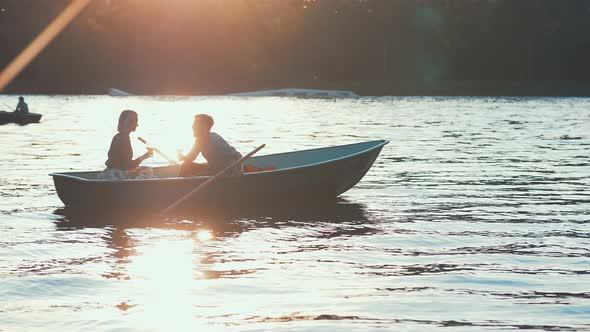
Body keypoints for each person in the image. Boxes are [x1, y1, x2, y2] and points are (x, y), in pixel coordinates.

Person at [178, 114, 242, 177]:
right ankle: (180, 182)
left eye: (195, 124)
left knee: (190, 171)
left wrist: (239, 172)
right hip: (214, 169)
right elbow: (191, 157)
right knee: (186, 165)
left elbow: (237, 156)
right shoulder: (200, 140)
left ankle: (180, 185)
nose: (193, 127)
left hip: (225, 173)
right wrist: (182, 157)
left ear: (204, 127)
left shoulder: (214, 139)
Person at [97, 110, 153, 180]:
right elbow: (127, 165)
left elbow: (123, 164)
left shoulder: (119, 136)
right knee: (148, 172)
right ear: (129, 123)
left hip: (109, 173)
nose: (137, 125)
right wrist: (145, 156)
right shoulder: (124, 139)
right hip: (115, 176)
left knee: (143, 171)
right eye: (135, 121)